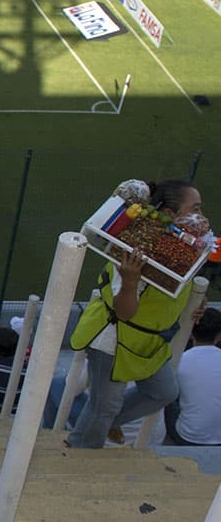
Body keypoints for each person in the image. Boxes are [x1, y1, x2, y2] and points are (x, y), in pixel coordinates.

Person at [67, 180, 205, 448]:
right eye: (195, 209)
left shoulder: (177, 247)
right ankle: (79, 455)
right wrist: (130, 281)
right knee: (103, 409)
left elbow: (175, 288)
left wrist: (195, 306)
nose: (201, 216)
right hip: (112, 338)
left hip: (145, 343)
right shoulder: (137, 248)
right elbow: (123, 312)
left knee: (164, 392)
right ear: (170, 213)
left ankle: (105, 424)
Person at [164, 307, 221, 445]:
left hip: (188, 437)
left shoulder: (177, 360)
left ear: (190, 333)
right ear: (219, 336)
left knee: (167, 391)